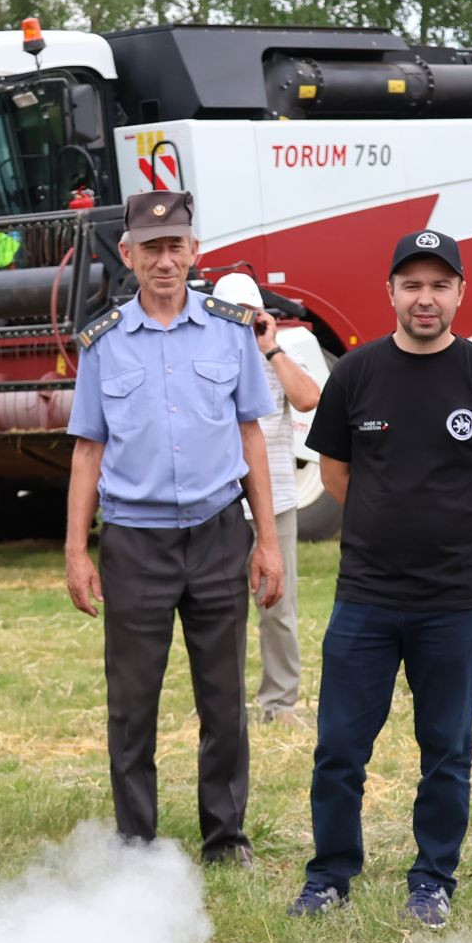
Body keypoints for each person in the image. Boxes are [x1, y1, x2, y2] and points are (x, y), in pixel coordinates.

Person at [287, 230, 472, 925]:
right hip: (365, 597)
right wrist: (379, 519)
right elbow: (336, 471)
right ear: (390, 292)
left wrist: (462, 533)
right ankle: (331, 874)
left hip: (452, 603)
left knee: (446, 751)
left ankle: (432, 880)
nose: (424, 298)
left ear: (461, 292)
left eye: (439, 285)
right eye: (412, 284)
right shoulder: (357, 374)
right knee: (339, 747)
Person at [65, 190, 285, 866]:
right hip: (135, 542)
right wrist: (76, 549)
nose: (165, 260)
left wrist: (268, 541)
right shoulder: (102, 343)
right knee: (133, 705)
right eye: (151, 249)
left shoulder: (229, 330)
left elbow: (252, 436)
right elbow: (87, 451)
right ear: (128, 256)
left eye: (176, 246)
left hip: (219, 535)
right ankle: (137, 843)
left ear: (195, 252)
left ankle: (226, 837)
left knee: (223, 701)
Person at [212, 271, 322, 726]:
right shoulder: (204, 356)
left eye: (248, 316)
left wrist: (270, 348)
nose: (239, 325)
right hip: (218, 504)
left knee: (278, 605)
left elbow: (309, 399)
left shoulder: (282, 352)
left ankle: (279, 703)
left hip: (274, 502)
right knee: (221, 611)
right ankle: (227, 707)